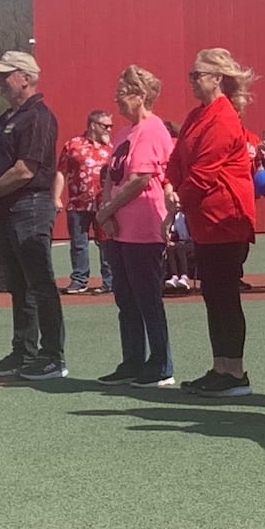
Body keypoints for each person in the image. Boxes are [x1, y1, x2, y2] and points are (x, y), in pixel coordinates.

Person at [166, 48, 257, 397]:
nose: (192, 81)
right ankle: (221, 367)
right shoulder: (197, 115)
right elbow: (177, 159)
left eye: (197, 75)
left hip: (225, 220)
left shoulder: (223, 118)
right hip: (205, 220)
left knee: (224, 296)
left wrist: (176, 201)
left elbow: (204, 173)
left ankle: (234, 371)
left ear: (217, 78)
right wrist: (171, 185)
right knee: (214, 295)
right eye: (191, 75)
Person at [0, 51, 65, 380]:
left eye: (6, 74)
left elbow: (26, 169)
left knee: (40, 282)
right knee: (18, 283)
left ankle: (52, 355)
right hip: (8, 208)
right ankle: (24, 351)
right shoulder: (5, 119)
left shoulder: (38, 117)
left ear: (25, 77)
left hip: (31, 205)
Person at [94, 66, 176, 387]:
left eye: (122, 92)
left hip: (143, 225)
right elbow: (111, 177)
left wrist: (108, 210)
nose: (116, 98)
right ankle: (132, 360)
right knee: (125, 298)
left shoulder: (152, 129)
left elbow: (140, 179)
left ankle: (160, 364)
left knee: (147, 298)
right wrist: (107, 212)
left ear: (140, 96)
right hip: (118, 227)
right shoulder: (123, 133)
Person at [54, 109, 114, 294]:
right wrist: (56, 196)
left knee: (106, 243)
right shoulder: (73, 145)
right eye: (105, 126)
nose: (109, 130)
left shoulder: (110, 148)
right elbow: (61, 172)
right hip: (78, 203)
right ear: (93, 125)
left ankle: (110, 281)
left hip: (103, 203)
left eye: (111, 126)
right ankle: (80, 280)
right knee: (79, 243)